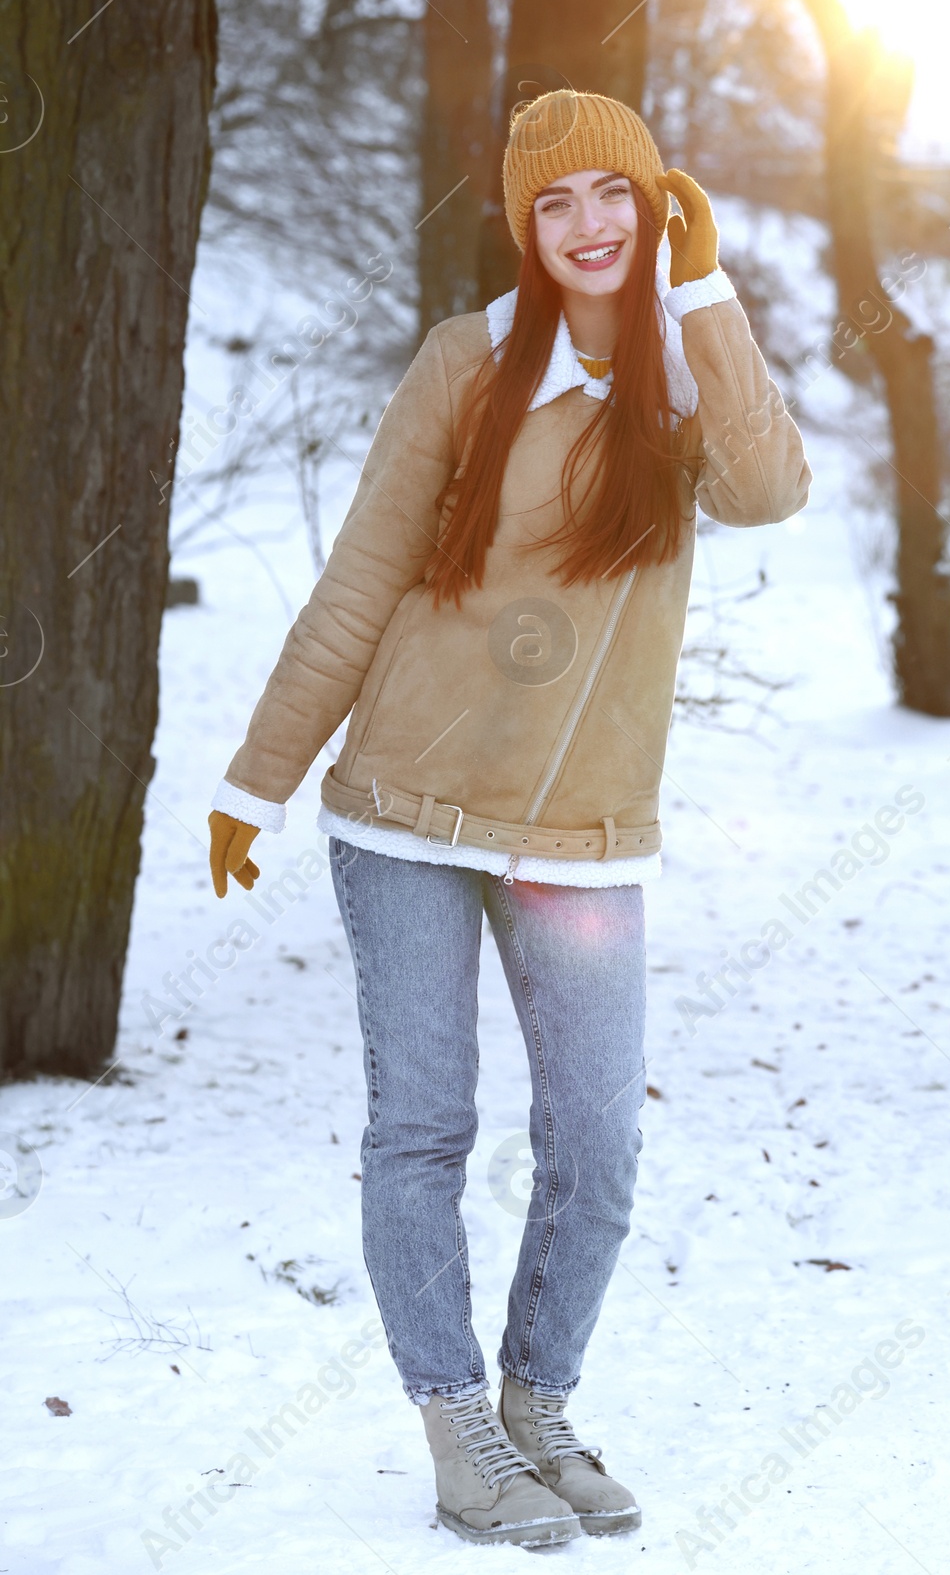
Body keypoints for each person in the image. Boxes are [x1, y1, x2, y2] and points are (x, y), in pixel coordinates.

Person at [207, 91, 810, 1549]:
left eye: (618, 196)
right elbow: (362, 579)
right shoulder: (464, 366)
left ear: (656, 206)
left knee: (596, 1144)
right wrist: (258, 775)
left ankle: (540, 1402)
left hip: (586, 832)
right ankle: (457, 1425)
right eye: (557, 205)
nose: (591, 226)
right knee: (423, 1128)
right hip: (407, 807)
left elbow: (773, 490)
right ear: (524, 226)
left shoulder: (682, 374)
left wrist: (710, 293)